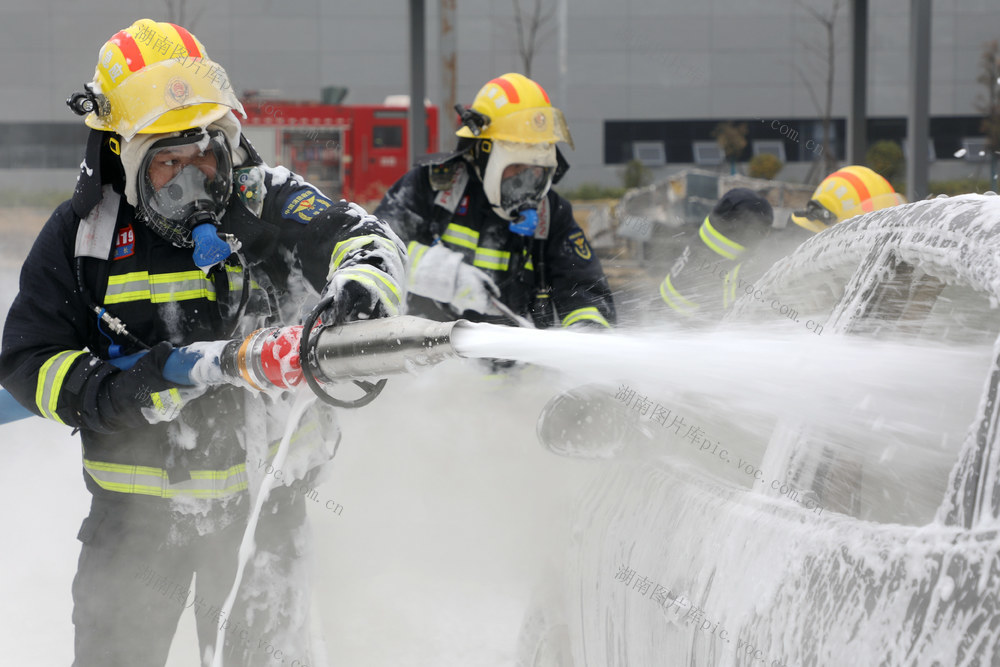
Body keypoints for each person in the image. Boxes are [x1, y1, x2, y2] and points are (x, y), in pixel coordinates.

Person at [0, 19, 405, 667]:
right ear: (123, 154)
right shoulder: (84, 238)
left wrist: (357, 293)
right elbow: (28, 358)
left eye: (205, 155)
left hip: (261, 515)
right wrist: (112, 392)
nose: (196, 180)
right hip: (134, 528)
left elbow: (370, 241)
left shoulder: (261, 200)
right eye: (169, 161)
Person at [375, 72, 616, 331]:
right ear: (482, 153)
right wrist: (444, 275)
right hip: (429, 365)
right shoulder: (432, 187)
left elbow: (585, 290)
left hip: (519, 370)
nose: (526, 184)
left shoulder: (551, 214)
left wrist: (587, 331)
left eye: (535, 171)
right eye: (517, 167)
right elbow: (375, 252)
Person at [656, 187, 774, 323]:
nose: (767, 235)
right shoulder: (733, 265)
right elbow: (728, 317)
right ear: (750, 231)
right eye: (765, 230)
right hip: (682, 324)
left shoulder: (707, 237)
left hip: (661, 310)